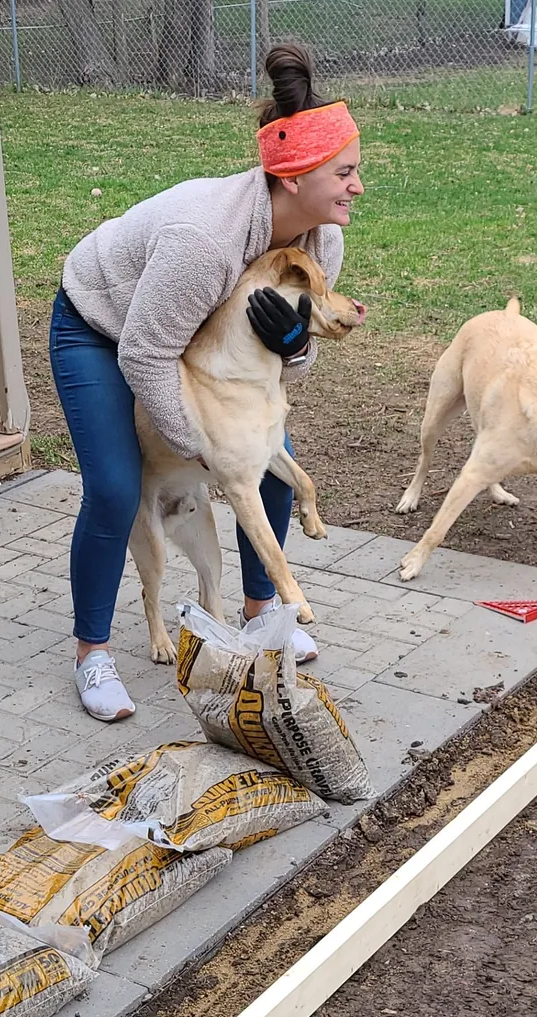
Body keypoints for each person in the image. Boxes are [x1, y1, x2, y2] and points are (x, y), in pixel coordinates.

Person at [49, 44, 364, 721]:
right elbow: (143, 354)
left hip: (167, 341)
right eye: (343, 173)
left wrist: (293, 345)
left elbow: (288, 364)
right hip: (101, 327)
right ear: (292, 177)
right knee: (112, 487)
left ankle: (258, 617)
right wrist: (202, 447)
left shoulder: (320, 241)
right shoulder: (208, 241)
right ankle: (93, 653)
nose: (356, 188)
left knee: (276, 467)